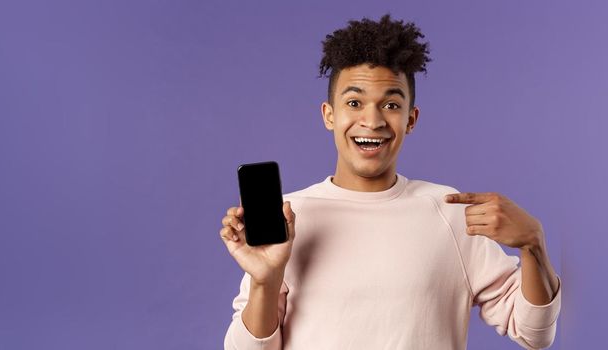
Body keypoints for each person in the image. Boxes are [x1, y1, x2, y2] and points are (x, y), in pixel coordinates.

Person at [219, 14, 561, 350]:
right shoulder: (289, 218)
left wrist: (534, 245)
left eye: (391, 105)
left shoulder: (449, 212)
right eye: (354, 102)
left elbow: (534, 333)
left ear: (410, 119)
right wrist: (266, 280)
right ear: (329, 115)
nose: (372, 120)